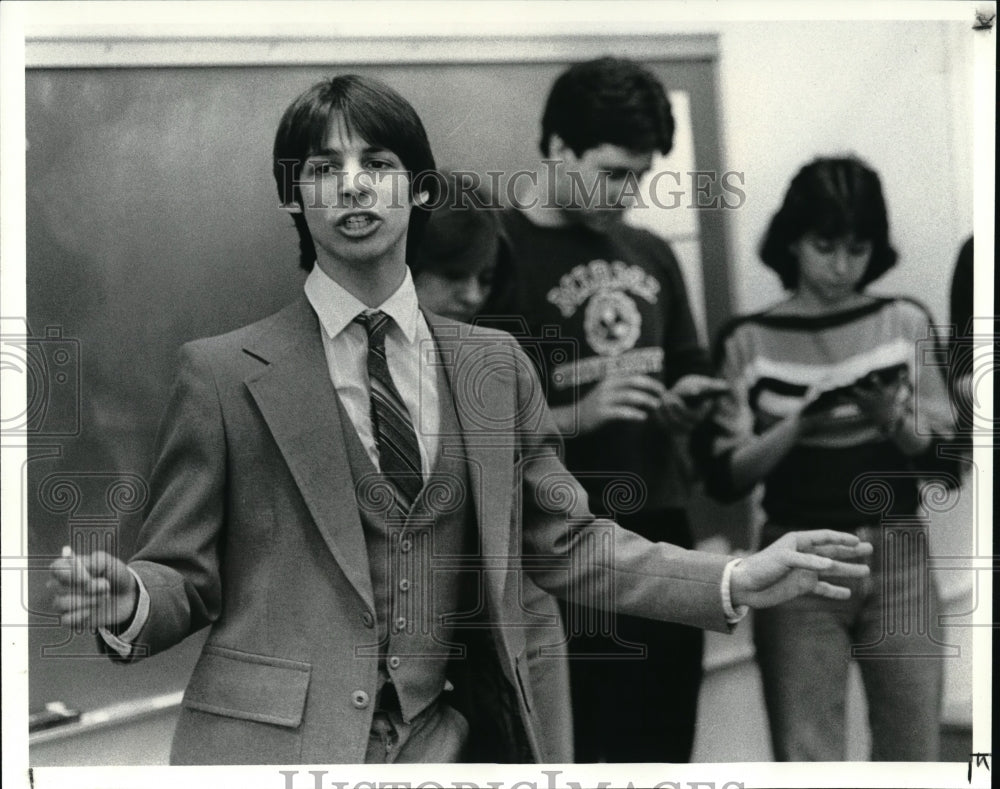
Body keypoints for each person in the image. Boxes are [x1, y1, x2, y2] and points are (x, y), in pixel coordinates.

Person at [48, 75, 872, 766]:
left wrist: (733, 577)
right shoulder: (223, 373)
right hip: (273, 750)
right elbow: (182, 577)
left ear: (422, 188)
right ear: (290, 196)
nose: (353, 184)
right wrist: (130, 598)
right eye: (322, 167)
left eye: (378, 162)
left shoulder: (493, 365)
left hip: (450, 741)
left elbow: (572, 543)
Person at [493, 57, 728, 763]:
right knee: (577, 752)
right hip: (556, 547)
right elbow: (467, 429)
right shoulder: (491, 255)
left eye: (640, 174)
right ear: (559, 147)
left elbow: (688, 367)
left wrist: (689, 406)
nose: (628, 194)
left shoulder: (652, 252)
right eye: (613, 173)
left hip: (661, 528)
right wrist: (578, 414)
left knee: (661, 752)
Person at [695, 156, 956, 761]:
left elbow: (946, 465)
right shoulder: (747, 339)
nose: (841, 266)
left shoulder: (903, 320)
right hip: (796, 559)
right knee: (808, 757)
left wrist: (892, 420)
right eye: (824, 245)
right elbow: (726, 478)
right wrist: (800, 424)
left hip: (898, 554)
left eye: (858, 249)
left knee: (913, 751)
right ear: (791, 241)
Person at [410, 170, 573, 762]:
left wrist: (723, 580)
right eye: (455, 276)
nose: (475, 294)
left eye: (485, 278)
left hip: (523, 632)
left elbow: (563, 531)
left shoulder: (500, 364)